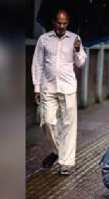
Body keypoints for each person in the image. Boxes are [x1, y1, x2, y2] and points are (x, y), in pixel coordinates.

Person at [31, 9, 87, 175]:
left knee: (69, 125)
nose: (61, 26)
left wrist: (77, 49)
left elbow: (80, 63)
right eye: (59, 23)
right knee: (47, 121)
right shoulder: (44, 39)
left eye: (64, 23)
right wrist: (36, 87)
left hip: (68, 87)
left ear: (68, 23)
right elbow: (37, 64)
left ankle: (66, 163)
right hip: (48, 87)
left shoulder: (75, 39)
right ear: (53, 22)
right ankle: (57, 151)